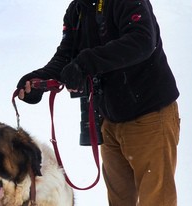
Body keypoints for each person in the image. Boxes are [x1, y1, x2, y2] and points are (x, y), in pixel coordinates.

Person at [16, 0, 180, 205]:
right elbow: (67, 56)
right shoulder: (78, 8)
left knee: (156, 201)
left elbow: (142, 40)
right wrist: (38, 81)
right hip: (110, 120)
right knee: (119, 201)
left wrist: (85, 63)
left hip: (149, 116)